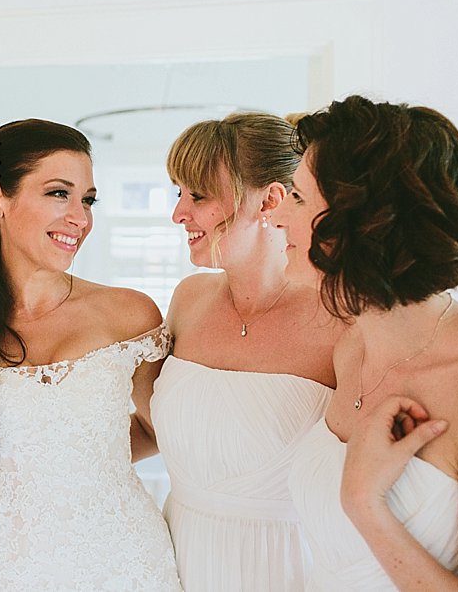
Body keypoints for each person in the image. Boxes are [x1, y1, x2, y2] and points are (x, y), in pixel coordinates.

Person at [0, 119, 182, 591]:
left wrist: (70, 467)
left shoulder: (129, 314)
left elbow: (158, 429)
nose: (79, 218)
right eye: (58, 193)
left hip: (122, 559)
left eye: (87, 199)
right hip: (6, 562)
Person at [276, 95, 458, 590]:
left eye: (298, 198)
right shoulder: (351, 348)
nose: (277, 218)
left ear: (360, 223)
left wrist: (365, 505)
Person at [129, 113, 342, 590]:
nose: (179, 214)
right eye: (178, 194)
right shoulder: (188, 299)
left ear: (270, 200)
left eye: (198, 196)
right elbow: (152, 428)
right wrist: (36, 463)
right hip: (180, 555)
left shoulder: (339, 320)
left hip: (290, 565)